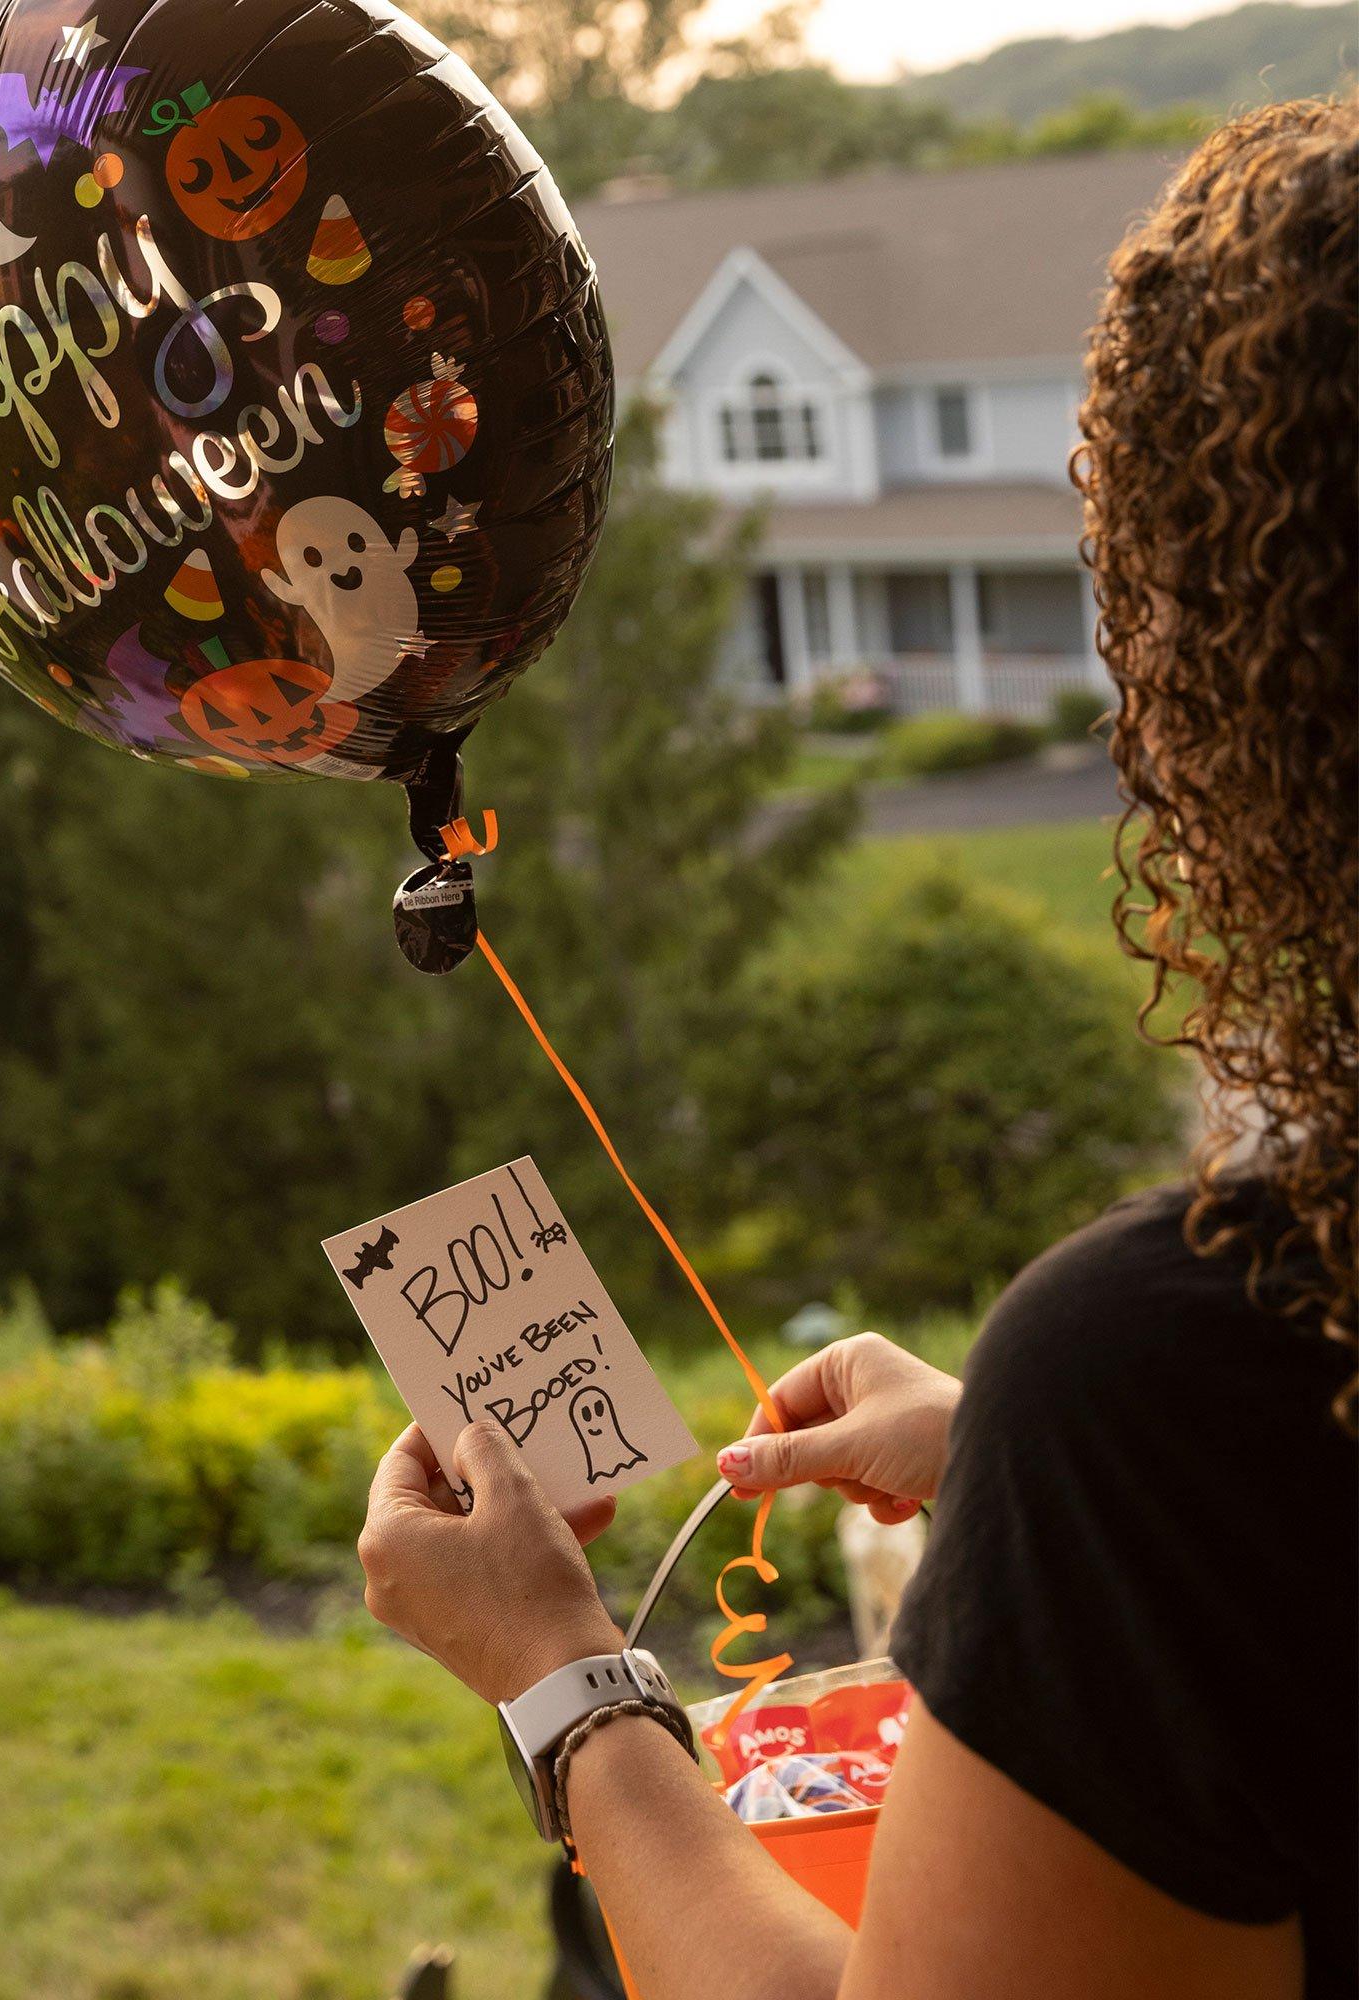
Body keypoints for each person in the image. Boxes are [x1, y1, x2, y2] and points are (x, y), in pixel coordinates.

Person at [357, 99, 1356, 2000]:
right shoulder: (1196, 1427)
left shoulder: (1196, 1377)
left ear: (1243, 687)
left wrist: (563, 1685)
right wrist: (1031, 1493)